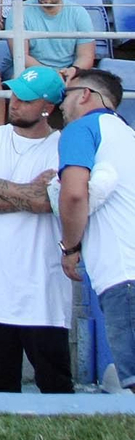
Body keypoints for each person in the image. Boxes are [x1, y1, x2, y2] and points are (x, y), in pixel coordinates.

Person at [0, 65, 73, 394]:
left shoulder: (63, 146)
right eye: (15, 95)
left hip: (44, 296)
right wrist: (26, 192)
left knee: (56, 388)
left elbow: (47, 202)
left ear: (47, 107)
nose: (15, 103)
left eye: (26, 99)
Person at [55, 67, 135, 391]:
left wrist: (70, 248)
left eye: (66, 95)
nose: (61, 104)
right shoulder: (126, 133)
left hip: (124, 275)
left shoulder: (81, 128)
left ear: (85, 95)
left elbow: (74, 194)